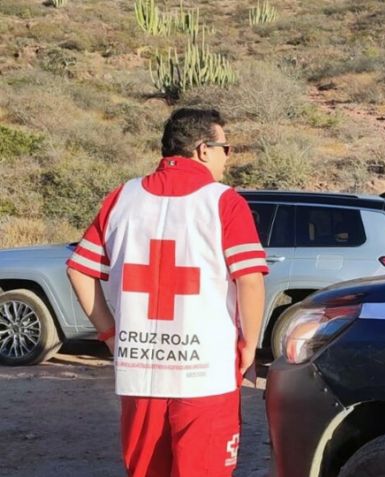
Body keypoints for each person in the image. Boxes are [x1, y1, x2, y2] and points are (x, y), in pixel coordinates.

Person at [66, 108, 268, 477]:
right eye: (228, 147)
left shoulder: (121, 198)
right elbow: (250, 280)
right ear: (204, 149)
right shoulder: (223, 201)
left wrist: (111, 334)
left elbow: (79, 269)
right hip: (206, 373)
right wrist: (249, 346)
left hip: (140, 372)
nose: (228, 157)